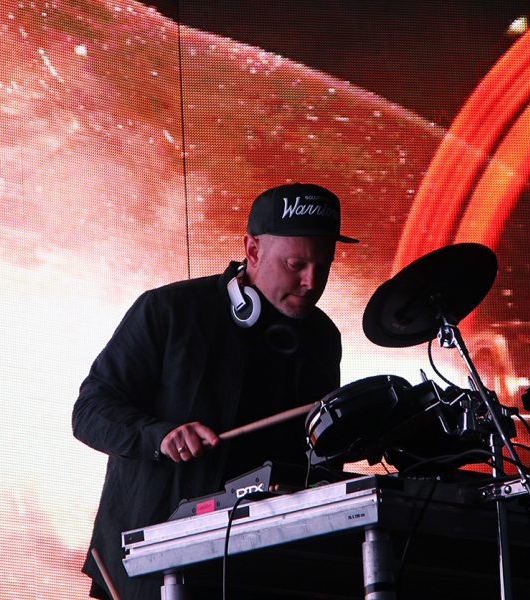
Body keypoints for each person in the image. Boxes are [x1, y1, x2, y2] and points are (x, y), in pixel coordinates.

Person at [72, 182, 357, 599]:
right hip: (147, 573)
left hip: (258, 573)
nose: (311, 281)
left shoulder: (321, 339)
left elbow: (316, 453)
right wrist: (160, 436)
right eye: (296, 264)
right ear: (253, 249)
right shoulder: (168, 310)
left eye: (323, 265)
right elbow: (90, 412)